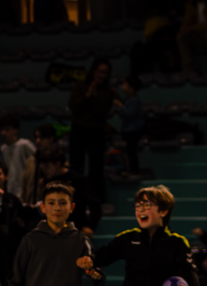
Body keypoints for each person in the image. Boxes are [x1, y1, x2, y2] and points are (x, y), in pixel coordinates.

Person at [69, 57, 115, 200]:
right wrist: (87, 95)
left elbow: (103, 110)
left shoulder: (108, 91)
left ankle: (96, 199)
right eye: (99, 71)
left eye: (105, 72)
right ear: (94, 71)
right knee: (76, 165)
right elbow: (73, 106)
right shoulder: (80, 86)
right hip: (79, 129)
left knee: (96, 167)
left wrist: (94, 98)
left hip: (96, 131)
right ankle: (75, 198)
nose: (101, 75)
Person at [37, 148, 101, 237]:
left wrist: (90, 226)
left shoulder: (77, 180)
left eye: (47, 166)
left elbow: (95, 205)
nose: (45, 170)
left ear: (58, 164)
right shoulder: (46, 182)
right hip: (52, 231)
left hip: (75, 230)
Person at [0, 114, 36, 198]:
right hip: (11, 189)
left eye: (7, 129)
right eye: (2, 130)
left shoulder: (25, 145)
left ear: (15, 130)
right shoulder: (4, 148)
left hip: (26, 188)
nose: (3, 133)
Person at [114, 76, 145, 174]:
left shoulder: (134, 100)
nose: (122, 86)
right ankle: (131, 169)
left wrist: (120, 105)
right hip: (128, 130)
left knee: (132, 152)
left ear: (132, 88)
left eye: (125, 84)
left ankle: (134, 170)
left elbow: (129, 114)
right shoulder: (128, 99)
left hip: (133, 131)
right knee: (130, 151)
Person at [20, 123, 57, 205]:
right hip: (31, 206)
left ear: (51, 139)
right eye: (36, 138)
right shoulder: (31, 161)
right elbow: (25, 185)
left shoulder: (58, 162)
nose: (38, 141)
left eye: (41, 138)